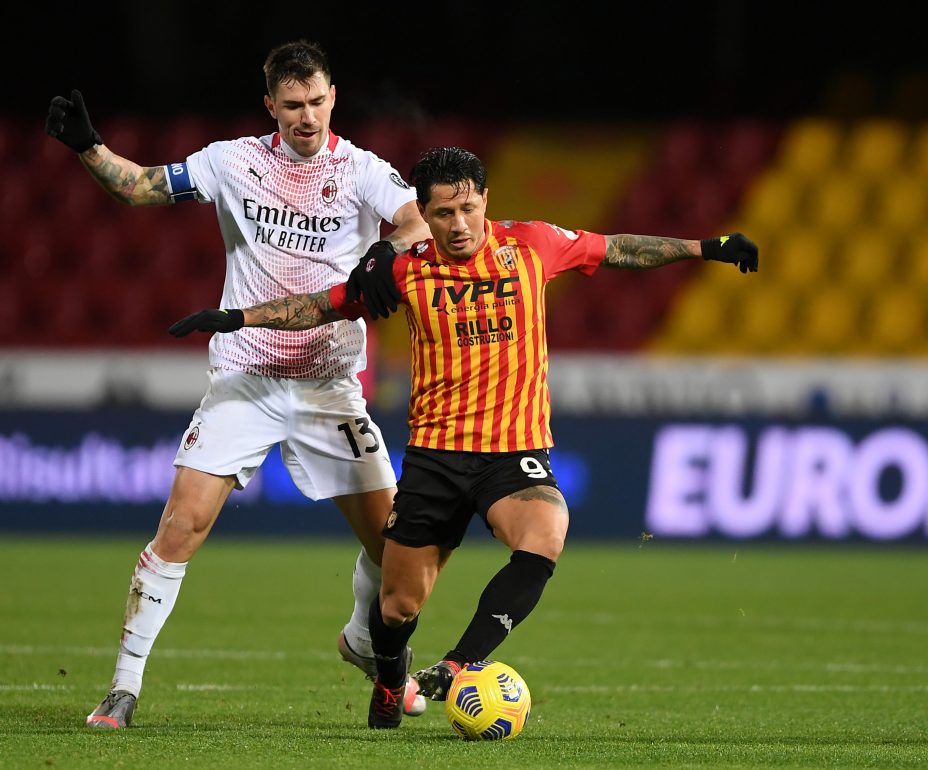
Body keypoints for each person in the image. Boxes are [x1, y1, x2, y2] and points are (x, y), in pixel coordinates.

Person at [168, 146, 759, 729]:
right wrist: (236, 318)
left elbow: (619, 249)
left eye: (469, 209)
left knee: (546, 533)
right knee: (397, 606)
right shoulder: (405, 270)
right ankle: (390, 680)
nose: (459, 225)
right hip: (436, 459)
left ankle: (458, 663)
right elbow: (325, 305)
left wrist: (707, 247)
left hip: (513, 453)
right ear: (423, 213)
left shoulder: (532, 245)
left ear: (485, 201)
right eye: (444, 213)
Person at [44, 39, 431, 729]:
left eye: (317, 101)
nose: (307, 116)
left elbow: (415, 220)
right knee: (180, 528)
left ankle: (362, 641)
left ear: (333, 98)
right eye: (293, 105)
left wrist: (384, 250)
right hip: (245, 378)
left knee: (396, 550)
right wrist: (89, 149)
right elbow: (139, 187)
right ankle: (123, 687)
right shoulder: (234, 161)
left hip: (328, 386)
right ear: (270, 106)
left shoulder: (362, 169)